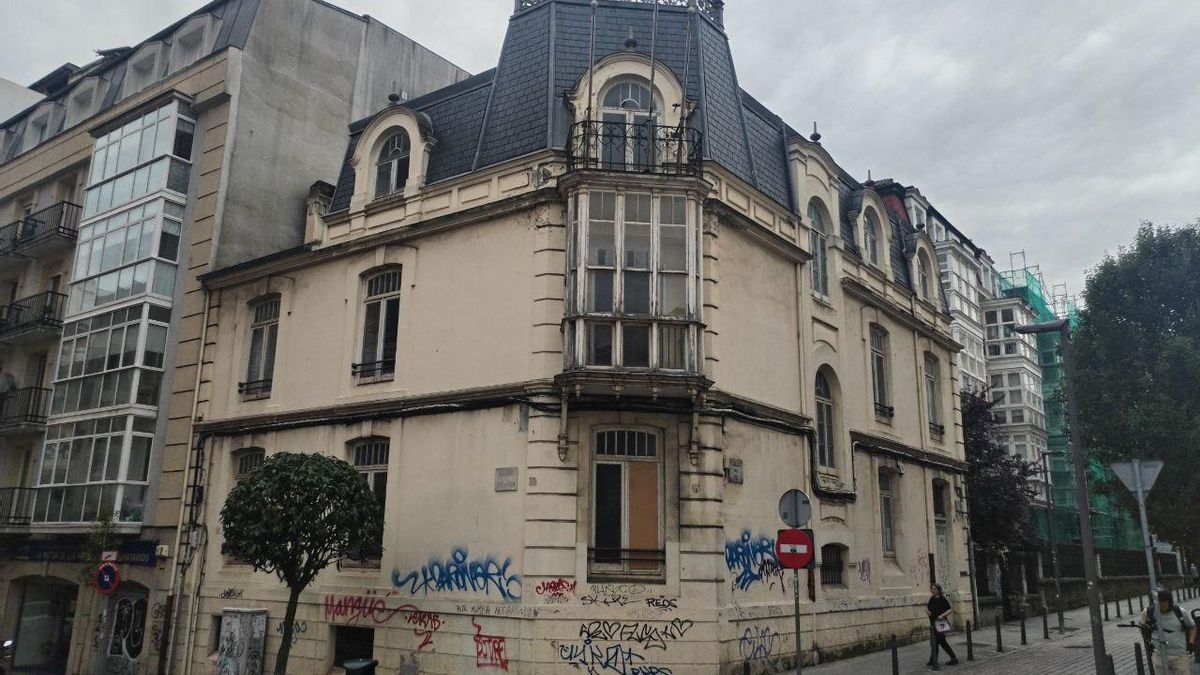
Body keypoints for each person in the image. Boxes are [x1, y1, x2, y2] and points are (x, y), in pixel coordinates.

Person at [1137, 589, 1197, 675]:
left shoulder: (1180, 612)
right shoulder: (1148, 612)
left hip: (1179, 654)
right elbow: (1141, 626)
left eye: (1165, 601)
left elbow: (1192, 627)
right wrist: (1147, 639)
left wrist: (1191, 642)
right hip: (1159, 655)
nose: (1162, 604)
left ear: (1169, 601)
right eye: (1159, 602)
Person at [926, 583, 959, 670]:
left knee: (941, 642)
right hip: (933, 624)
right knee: (935, 642)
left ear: (938, 590)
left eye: (934, 589)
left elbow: (950, 610)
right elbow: (929, 610)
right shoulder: (932, 599)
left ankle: (953, 658)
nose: (933, 590)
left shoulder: (942, 599)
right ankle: (933, 659)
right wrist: (927, 611)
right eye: (932, 589)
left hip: (940, 623)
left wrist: (942, 615)